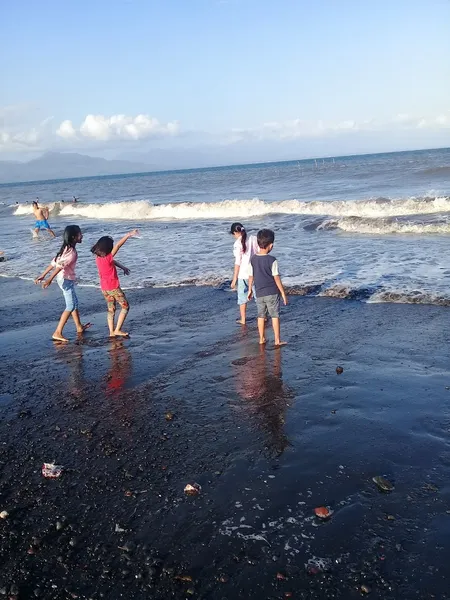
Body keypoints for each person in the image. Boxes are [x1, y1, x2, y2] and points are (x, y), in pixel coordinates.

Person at [34, 225, 91, 342]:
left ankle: (79, 326)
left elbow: (54, 262)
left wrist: (43, 274)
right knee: (70, 306)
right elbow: (59, 266)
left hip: (65, 279)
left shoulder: (66, 248)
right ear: (74, 237)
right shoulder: (72, 253)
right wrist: (49, 279)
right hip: (65, 280)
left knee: (74, 303)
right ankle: (57, 332)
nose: (82, 236)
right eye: (80, 234)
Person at [91, 230, 139, 337]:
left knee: (111, 309)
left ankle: (111, 332)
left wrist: (123, 267)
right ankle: (117, 329)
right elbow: (118, 245)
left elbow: (112, 261)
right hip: (114, 288)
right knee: (125, 307)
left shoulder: (98, 258)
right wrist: (128, 235)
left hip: (104, 288)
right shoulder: (109, 257)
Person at [248, 228, 288, 346]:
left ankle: (261, 338)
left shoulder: (253, 259)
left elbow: (251, 276)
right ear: (270, 245)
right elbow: (276, 278)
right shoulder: (272, 260)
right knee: (275, 315)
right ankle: (277, 340)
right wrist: (283, 293)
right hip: (272, 292)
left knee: (261, 316)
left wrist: (250, 289)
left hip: (259, 292)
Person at [230, 222, 259, 325]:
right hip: (255, 273)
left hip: (243, 275)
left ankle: (243, 319)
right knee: (258, 297)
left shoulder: (237, 244)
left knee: (242, 299)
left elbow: (238, 263)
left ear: (235, 233)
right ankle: (262, 317)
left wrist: (234, 280)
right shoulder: (253, 238)